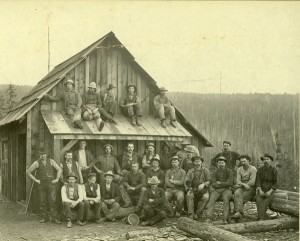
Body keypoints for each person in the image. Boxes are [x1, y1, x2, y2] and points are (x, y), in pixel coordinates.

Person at [26, 148, 62, 224]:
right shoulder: (37, 163)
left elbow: (59, 169)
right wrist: (36, 180)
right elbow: (28, 172)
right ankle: (44, 217)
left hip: (51, 183)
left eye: (44, 154)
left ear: (46, 154)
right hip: (42, 184)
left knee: (52, 200)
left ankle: (54, 218)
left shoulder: (51, 161)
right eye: (41, 154)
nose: (43, 156)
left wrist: (57, 179)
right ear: (39, 155)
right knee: (43, 201)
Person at [206, 156, 233, 224]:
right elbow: (214, 184)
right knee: (211, 200)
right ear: (217, 164)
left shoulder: (229, 171)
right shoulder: (215, 172)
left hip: (227, 190)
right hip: (217, 190)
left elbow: (230, 183)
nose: (221, 164)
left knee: (226, 199)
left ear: (225, 163)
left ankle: (225, 219)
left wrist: (220, 183)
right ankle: (209, 218)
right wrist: (224, 184)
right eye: (219, 163)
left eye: (222, 163)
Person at [231, 155, 257, 221]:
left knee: (240, 197)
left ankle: (237, 213)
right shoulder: (239, 169)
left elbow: (252, 182)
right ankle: (238, 213)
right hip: (242, 186)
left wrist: (243, 185)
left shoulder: (253, 169)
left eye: (244, 161)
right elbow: (238, 180)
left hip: (251, 188)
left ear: (248, 161)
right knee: (237, 193)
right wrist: (243, 184)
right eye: (241, 161)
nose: (243, 163)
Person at [185, 156, 211, 220]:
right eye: (196, 161)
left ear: (201, 162)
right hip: (193, 188)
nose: (197, 163)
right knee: (189, 195)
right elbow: (186, 181)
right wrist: (189, 188)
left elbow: (209, 181)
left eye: (199, 161)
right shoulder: (190, 171)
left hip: (203, 189)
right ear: (193, 162)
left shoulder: (205, 170)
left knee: (206, 197)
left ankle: (198, 213)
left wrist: (204, 184)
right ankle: (191, 213)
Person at [255, 154, 278, 220]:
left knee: (265, 201)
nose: (266, 161)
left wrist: (270, 192)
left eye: (267, 159)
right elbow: (258, 181)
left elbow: (275, 182)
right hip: (261, 188)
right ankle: (262, 217)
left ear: (271, 161)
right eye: (264, 159)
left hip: (270, 189)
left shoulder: (274, 170)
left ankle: (260, 218)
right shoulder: (260, 170)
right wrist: (260, 190)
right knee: (258, 200)